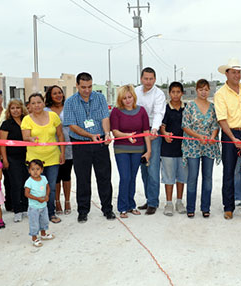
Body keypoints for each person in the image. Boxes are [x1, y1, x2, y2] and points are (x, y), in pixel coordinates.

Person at [64, 72, 115, 223]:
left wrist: (106, 133)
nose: (87, 90)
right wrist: (89, 136)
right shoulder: (70, 102)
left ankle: (107, 209)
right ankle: (83, 211)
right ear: (77, 86)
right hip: (81, 144)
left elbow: (105, 117)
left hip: (100, 143)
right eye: (83, 87)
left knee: (104, 177)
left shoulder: (99, 98)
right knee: (83, 178)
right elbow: (72, 125)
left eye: (90, 86)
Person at [214, 58, 241, 220]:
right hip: (229, 134)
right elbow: (222, 119)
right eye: (233, 72)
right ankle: (228, 206)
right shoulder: (220, 94)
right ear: (226, 74)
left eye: (239, 72)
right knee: (229, 171)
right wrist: (233, 138)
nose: (237, 75)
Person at [22, 93, 65, 224]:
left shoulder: (53, 116)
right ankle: (37, 214)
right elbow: (25, 137)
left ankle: (50, 213)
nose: (36, 105)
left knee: (50, 187)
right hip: (34, 161)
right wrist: (31, 139)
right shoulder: (26, 120)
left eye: (39, 102)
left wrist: (62, 153)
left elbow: (60, 135)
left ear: (43, 102)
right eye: (33, 103)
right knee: (35, 188)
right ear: (29, 105)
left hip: (52, 158)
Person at [110, 85, 151, 218]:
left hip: (138, 149)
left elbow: (146, 132)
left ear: (134, 96)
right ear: (120, 100)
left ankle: (131, 205)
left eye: (130, 97)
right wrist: (127, 136)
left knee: (133, 178)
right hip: (121, 149)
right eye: (124, 98)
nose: (127, 100)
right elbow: (115, 132)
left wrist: (148, 151)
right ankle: (122, 207)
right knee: (125, 177)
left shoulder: (142, 111)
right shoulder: (116, 111)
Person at [181, 79, 221, 218]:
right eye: (200, 89)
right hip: (193, 145)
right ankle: (190, 208)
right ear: (196, 90)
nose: (203, 92)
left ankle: (205, 207)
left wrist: (212, 136)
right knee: (192, 177)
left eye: (206, 89)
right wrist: (198, 136)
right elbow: (185, 126)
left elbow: (216, 125)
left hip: (209, 145)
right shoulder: (190, 106)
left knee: (208, 177)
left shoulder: (213, 107)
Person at [135, 67, 166, 215]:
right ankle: (148, 199)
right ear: (141, 78)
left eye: (151, 79)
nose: (148, 81)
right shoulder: (135, 92)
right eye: (145, 78)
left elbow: (159, 113)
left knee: (153, 168)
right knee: (144, 168)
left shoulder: (159, 94)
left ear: (155, 79)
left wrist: (155, 129)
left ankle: (153, 202)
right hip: (138, 133)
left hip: (153, 131)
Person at [159, 82, 187, 216]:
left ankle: (179, 202)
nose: (175, 95)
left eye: (178, 92)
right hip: (168, 149)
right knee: (169, 176)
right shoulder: (165, 109)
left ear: (182, 93)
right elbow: (161, 126)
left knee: (181, 177)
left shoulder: (186, 108)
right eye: (173, 92)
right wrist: (164, 134)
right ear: (169, 93)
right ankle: (169, 203)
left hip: (184, 149)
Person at [45, 85, 73, 216]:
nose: (58, 95)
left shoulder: (69, 107)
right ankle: (57, 202)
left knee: (66, 175)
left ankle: (67, 201)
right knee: (55, 177)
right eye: (54, 93)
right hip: (51, 147)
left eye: (60, 93)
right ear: (50, 95)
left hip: (68, 146)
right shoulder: (45, 110)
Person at [0, 99, 29, 223]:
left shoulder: (27, 121)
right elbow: (2, 144)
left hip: (27, 157)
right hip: (12, 158)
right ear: (9, 110)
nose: (15, 110)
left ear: (22, 109)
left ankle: (25, 207)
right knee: (16, 184)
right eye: (12, 108)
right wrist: (4, 159)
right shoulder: (6, 124)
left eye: (18, 107)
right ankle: (17, 210)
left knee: (26, 183)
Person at [24, 159, 55, 247]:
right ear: (29, 170)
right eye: (32, 169)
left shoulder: (44, 178)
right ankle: (34, 238)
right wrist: (37, 198)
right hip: (34, 207)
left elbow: (48, 187)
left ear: (41, 170)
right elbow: (26, 193)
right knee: (34, 223)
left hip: (43, 205)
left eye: (37, 169)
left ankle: (43, 234)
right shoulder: (29, 181)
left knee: (44, 221)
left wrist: (47, 195)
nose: (35, 172)